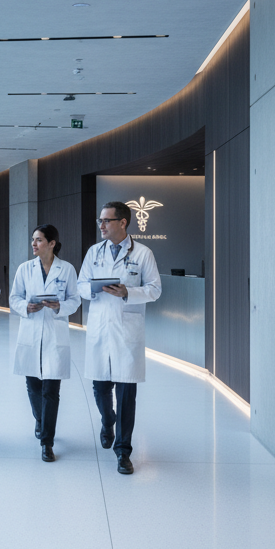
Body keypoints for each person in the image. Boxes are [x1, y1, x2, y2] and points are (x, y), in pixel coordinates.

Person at [78, 201, 162, 474]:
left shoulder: (143, 253)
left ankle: (123, 451)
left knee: (126, 393)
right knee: (101, 387)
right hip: (101, 326)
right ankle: (107, 421)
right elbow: (81, 284)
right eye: (100, 221)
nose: (101, 225)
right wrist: (93, 289)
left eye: (106, 220)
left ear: (123, 222)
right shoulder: (94, 252)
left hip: (128, 330)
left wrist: (127, 292)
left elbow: (154, 289)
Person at [8, 224, 81, 462]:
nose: (33, 244)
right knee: (33, 386)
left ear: (51, 243)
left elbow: (75, 299)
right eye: (33, 240)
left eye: (38, 240)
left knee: (51, 390)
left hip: (54, 332)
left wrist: (60, 306)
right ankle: (40, 419)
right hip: (31, 331)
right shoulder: (24, 269)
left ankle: (47, 442)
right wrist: (24, 307)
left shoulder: (67, 269)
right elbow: (14, 297)